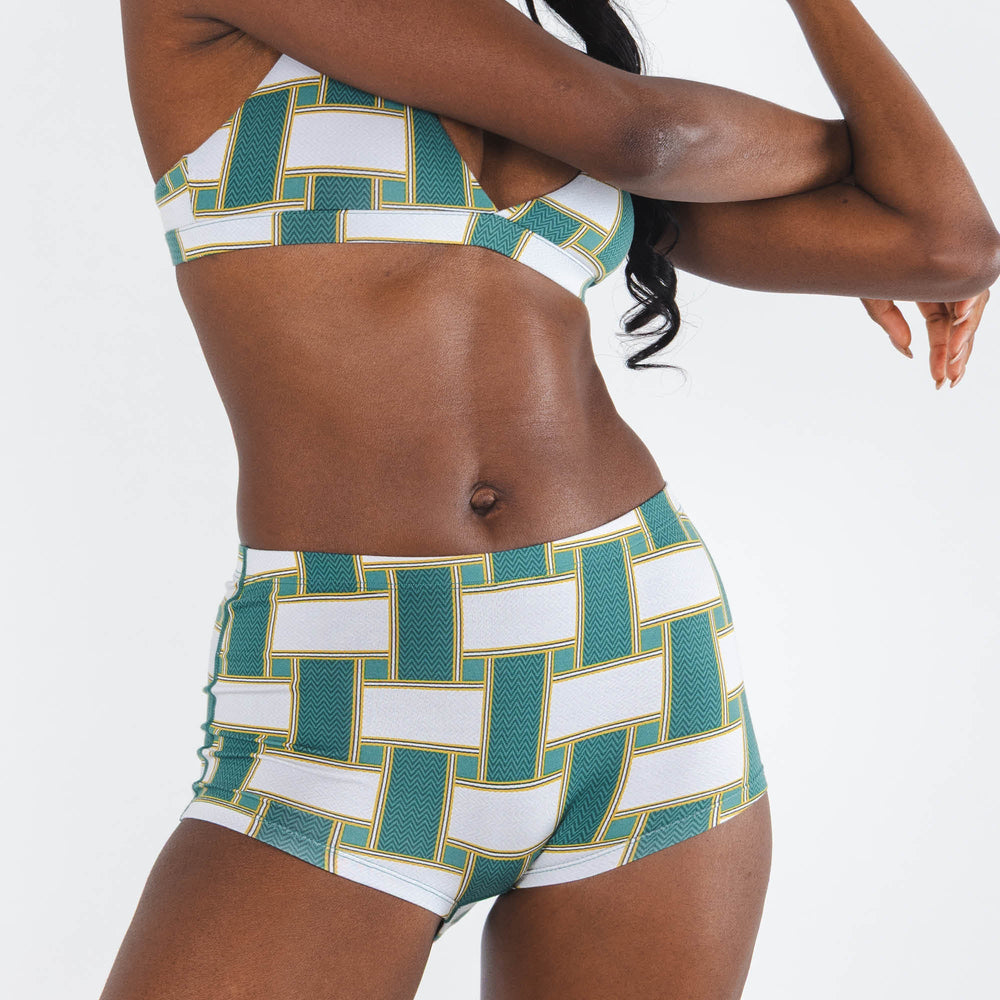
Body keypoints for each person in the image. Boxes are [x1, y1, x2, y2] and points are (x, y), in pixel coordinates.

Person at [104, 0, 998, 997]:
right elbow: (643, 137)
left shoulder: (552, 70)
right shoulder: (589, 106)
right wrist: (830, 147)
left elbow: (944, 242)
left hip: (644, 674)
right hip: (354, 693)